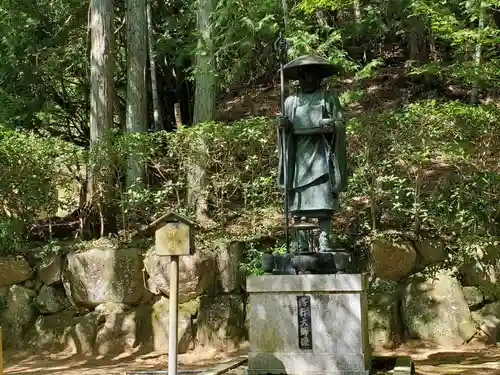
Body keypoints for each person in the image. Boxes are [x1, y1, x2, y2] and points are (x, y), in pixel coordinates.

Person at [277, 55, 347, 254]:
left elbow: (341, 123)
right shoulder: (291, 101)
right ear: (300, 77)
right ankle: (301, 244)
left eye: (314, 75)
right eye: (306, 75)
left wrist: (333, 126)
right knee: (299, 202)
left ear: (320, 78)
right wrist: (283, 127)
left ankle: (325, 239)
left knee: (323, 200)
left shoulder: (329, 97)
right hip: (299, 157)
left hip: (322, 155)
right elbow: (284, 130)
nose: (310, 79)